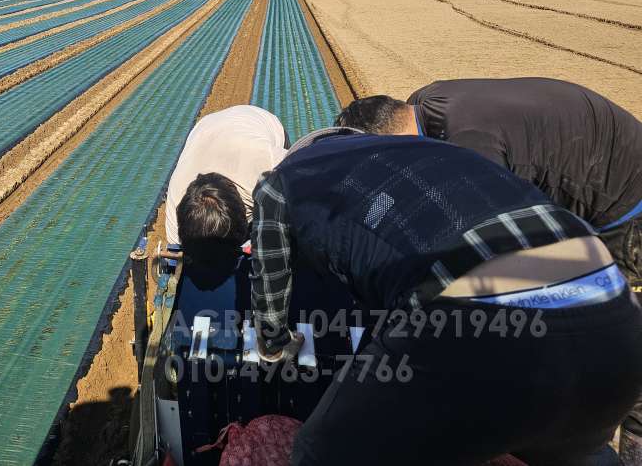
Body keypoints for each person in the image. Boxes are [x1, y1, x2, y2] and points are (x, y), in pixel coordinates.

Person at [249, 128, 642, 466]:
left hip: (483, 320)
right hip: (614, 316)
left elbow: (271, 288)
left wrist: (275, 344)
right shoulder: (426, 151)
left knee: (321, 450)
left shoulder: (284, 180)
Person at [334, 79, 642, 285]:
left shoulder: (472, 147)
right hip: (597, 157)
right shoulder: (423, 102)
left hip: (624, 206)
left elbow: (488, 241)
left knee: (597, 313)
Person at [165, 105, 287, 250]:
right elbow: (176, 255)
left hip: (256, 119)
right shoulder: (177, 211)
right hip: (205, 129)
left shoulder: (269, 165)